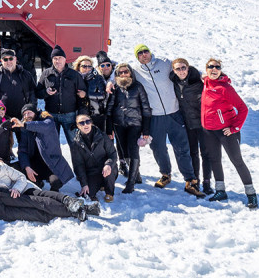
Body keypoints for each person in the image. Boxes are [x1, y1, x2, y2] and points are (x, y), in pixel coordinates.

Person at [131, 44, 203, 196]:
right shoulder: (135, 71)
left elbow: (184, 69)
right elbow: (118, 74)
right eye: (140, 53)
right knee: (158, 148)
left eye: (146, 51)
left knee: (182, 148)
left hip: (174, 113)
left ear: (150, 52)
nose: (144, 55)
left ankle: (190, 179)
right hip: (155, 117)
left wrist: (206, 76)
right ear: (137, 57)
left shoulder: (164, 63)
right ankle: (165, 174)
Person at [0, 151, 98, 218]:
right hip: (13, 198)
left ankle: (70, 201)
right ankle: (82, 210)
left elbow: (20, 177)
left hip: (22, 187)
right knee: (42, 202)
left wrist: (17, 188)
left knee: (44, 194)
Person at [201, 59, 257, 208]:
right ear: (206, 69)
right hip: (209, 130)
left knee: (237, 161)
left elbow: (243, 108)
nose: (214, 69)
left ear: (220, 70)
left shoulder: (225, 88)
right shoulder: (205, 82)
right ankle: (220, 191)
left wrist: (234, 128)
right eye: (210, 67)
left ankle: (251, 194)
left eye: (217, 67)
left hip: (226, 131)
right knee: (215, 159)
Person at [170, 58, 213, 195]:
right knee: (193, 153)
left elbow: (217, 78)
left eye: (183, 68)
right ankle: (195, 182)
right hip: (188, 124)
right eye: (178, 69)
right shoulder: (173, 80)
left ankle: (207, 182)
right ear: (173, 70)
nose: (181, 71)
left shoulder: (198, 79)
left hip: (203, 123)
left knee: (206, 154)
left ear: (188, 68)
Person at [106, 64, 151, 194]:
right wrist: (110, 129)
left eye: (126, 71)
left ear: (130, 73)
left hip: (135, 124)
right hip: (119, 124)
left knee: (133, 150)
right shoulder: (116, 88)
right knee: (123, 151)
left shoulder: (138, 87)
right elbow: (109, 109)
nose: (124, 74)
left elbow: (146, 109)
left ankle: (131, 183)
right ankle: (135, 174)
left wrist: (146, 129)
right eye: (121, 72)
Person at [11, 104, 74, 191]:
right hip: (35, 164)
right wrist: (27, 167)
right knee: (15, 168)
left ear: (35, 113)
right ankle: (38, 182)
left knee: (56, 182)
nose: (26, 116)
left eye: (29, 112)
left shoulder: (47, 120)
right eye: (24, 114)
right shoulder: (25, 129)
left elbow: (44, 126)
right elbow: (22, 150)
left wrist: (25, 125)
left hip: (51, 163)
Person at [38, 45, 86, 142]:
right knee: (52, 144)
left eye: (60, 58)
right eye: (55, 58)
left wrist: (80, 114)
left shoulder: (74, 75)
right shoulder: (46, 74)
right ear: (52, 60)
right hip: (51, 115)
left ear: (65, 59)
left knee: (75, 144)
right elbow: (38, 93)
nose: (57, 60)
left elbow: (83, 95)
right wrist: (46, 92)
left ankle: (75, 158)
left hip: (70, 115)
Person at [69, 113, 118, 202]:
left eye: (87, 121)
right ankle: (100, 184)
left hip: (106, 168)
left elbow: (113, 154)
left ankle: (109, 192)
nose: (85, 125)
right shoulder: (75, 143)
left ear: (91, 123)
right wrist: (84, 184)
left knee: (109, 171)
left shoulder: (102, 136)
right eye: (82, 123)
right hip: (92, 173)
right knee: (87, 194)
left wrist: (108, 164)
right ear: (78, 126)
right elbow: (78, 165)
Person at [0, 49, 36, 119]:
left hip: (22, 116)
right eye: (5, 59)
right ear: (1, 61)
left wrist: (30, 109)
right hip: (2, 116)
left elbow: (32, 93)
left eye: (11, 59)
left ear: (15, 59)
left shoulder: (25, 75)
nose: (8, 62)